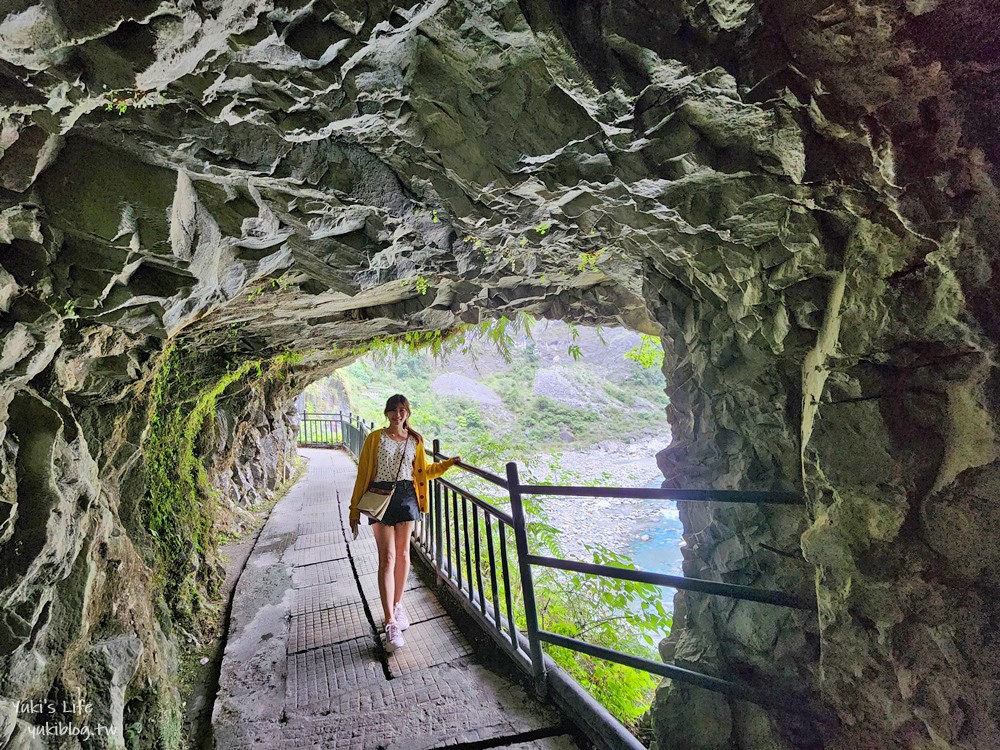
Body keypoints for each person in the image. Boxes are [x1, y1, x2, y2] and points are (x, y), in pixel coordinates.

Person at [349, 394, 460, 652]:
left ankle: (398, 606)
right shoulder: (375, 439)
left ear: (407, 413)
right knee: (387, 558)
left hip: (408, 496)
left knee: (403, 554)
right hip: (380, 497)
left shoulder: (415, 440)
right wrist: (354, 509)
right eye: (394, 410)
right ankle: (389, 621)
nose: (398, 414)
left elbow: (422, 472)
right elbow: (363, 474)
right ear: (387, 413)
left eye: (403, 410)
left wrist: (446, 465)